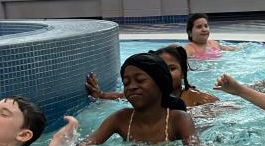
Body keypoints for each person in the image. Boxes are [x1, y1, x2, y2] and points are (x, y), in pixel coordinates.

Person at [75, 53, 200, 146]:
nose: (132, 87)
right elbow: (86, 144)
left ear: (161, 83)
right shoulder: (120, 118)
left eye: (140, 80)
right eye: (126, 83)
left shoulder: (179, 119)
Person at [85, 45, 219, 108]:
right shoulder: (149, 95)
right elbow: (119, 96)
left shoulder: (197, 98)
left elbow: (230, 109)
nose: (166, 73)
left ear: (183, 72)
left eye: (172, 69)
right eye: (161, 69)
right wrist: (99, 94)